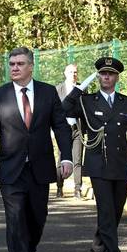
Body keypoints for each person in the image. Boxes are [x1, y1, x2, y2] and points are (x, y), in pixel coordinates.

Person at [0, 47, 73, 252]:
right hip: (11, 170)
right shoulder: (0, 95)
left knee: (37, 218)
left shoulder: (47, 92)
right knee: (15, 219)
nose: (15, 68)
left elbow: (61, 127)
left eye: (20, 63)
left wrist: (67, 158)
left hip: (40, 168)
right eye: (11, 64)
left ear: (31, 66)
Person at [62, 58, 127, 252]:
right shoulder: (87, 101)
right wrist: (78, 89)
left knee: (115, 212)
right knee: (106, 211)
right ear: (98, 76)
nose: (106, 77)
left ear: (117, 77)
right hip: (98, 166)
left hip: (120, 166)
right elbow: (63, 109)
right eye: (102, 74)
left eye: (111, 74)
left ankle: (98, 246)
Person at [55, 64, 84, 199]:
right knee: (62, 158)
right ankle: (59, 187)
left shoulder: (82, 89)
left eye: (75, 72)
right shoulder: (57, 90)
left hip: (77, 129)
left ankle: (77, 189)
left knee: (77, 159)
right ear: (65, 73)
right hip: (62, 130)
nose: (73, 74)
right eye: (71, 72)